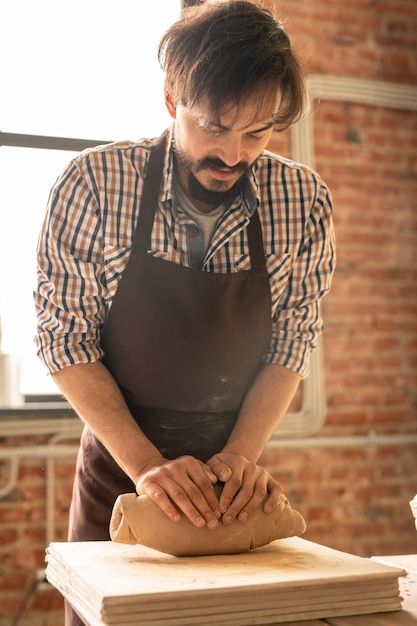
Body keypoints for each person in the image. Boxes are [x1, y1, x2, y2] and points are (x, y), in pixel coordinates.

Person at [34, 1, 335, 623]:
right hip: (121, 472)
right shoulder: (92, 184)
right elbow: (64, 341)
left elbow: (293, 342)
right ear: (173, 99)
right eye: (215, 128)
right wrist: (147, 467)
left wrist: (241, 459)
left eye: (257, 134)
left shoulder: (302, 200)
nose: (232, 155)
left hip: (234, 480)